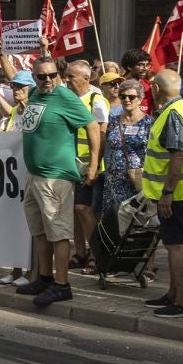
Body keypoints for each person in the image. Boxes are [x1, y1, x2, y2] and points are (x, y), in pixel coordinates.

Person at [16, 59, 93, 307]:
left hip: (56, 176)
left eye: (52, 75)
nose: (47, 80)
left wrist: (92, 165)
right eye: (42, 76)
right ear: (34, 78)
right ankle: (45, 277)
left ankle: (62, 285)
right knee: (39, 232)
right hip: (34, 175)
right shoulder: (36, 95)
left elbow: (91, 124)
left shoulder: (64, 96)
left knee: (58, 234)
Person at [142, 69, 183, 319]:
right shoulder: (180, 109)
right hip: (179, 191)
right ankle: (173, 294)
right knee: (173, 244)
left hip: (175, 194)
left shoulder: (173, 113)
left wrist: (167, 193)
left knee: (175, 245)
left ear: (156, 89)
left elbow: (177, 155)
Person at [65, 60, 108, 271]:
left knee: (84, 209)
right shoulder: (67, 97)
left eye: (71, 77)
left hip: (86, 165)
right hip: (70, 164)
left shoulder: (96, 99)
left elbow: (101, 133)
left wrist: (94, 166)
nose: (67, 80)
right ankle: (80, 252)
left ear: (86, 78)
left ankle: (96, 254)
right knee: (74, 211)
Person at [102, 79, 154, 214]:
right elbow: (107, 146)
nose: (126, 100)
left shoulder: (149, 123)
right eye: (122, 96)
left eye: (131, 97)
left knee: (134, 224)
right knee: (113, 222)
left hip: (136, 181)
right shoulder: (113, 121)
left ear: (140, 98)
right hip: (113, 182)